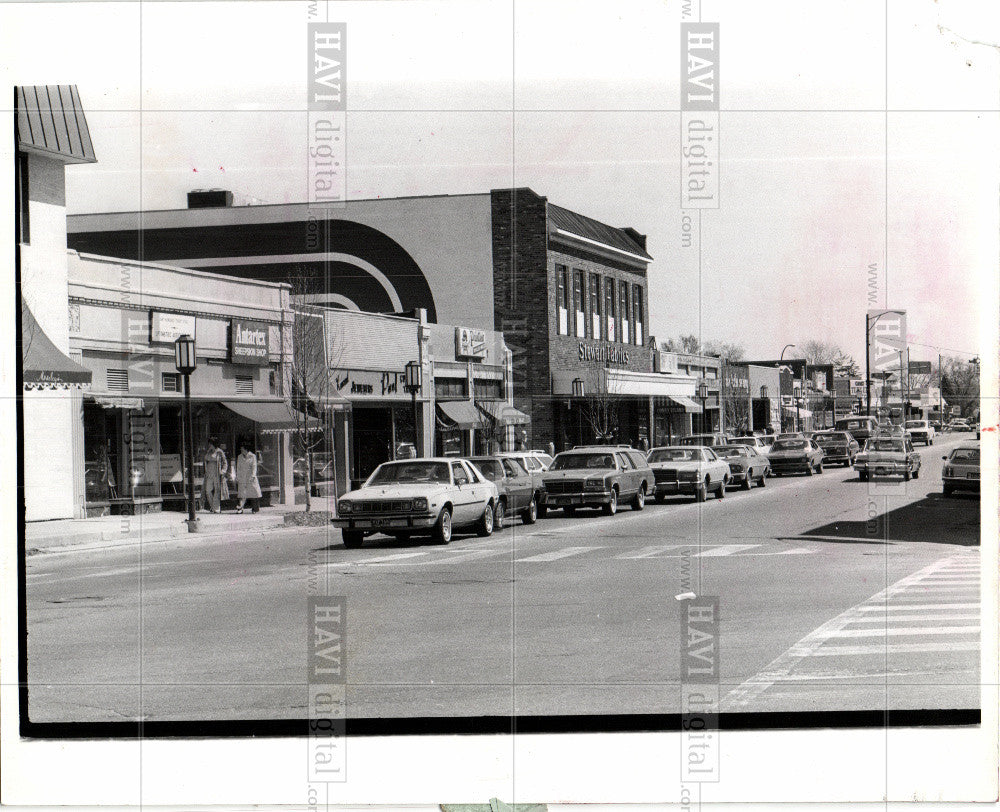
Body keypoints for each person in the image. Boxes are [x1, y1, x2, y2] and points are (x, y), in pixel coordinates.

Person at [236, 440, 262, 514]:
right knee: (241, 493)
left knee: (253, 493)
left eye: (242, 449)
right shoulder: (239, 457)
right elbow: (238, 467)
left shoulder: (252, 456)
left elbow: (254, 467)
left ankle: (255, 509)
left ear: (246, 449)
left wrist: (253, 476)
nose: (241, 450)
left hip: (250, 477)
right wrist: (237, 476)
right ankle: (240, 509)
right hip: (242, 477)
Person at [203, 437, 226, 513]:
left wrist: (222, 471)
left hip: (216, 473)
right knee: (207, 490)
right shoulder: (209, 452)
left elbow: (225, 462)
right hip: (209, 474)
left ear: (213, 444)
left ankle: (216, 507)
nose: (209, 445)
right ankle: (213, 506)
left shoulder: (219, 452)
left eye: (210, 443)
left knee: (217, 490)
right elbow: (205, 459)